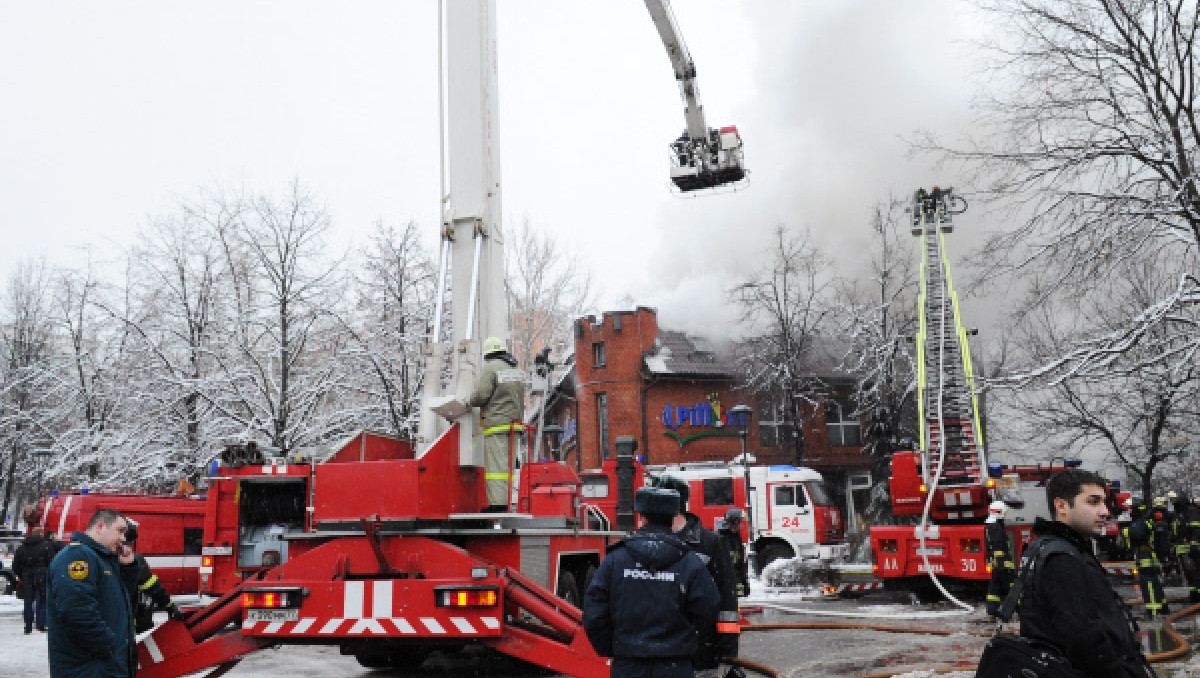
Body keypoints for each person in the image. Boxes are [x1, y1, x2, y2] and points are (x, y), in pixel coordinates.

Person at [1016, 469, 1154, 678]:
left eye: (1104, 502)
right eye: (1093, 502)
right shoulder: (1062, 558)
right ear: (1061, 505)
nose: (1105, 511)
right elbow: (1085, 640)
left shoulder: (1047, 548)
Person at [582, 487, 720, 678]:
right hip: (675, 665)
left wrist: (612, 648)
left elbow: (594, 614)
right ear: (672, 519)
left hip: (628, 665)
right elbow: (708, 610)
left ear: (642, 518)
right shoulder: (690, 562)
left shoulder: (615, 561)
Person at [654, 475, 741, 678]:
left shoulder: (710, 543)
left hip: (700, 651)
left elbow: (727, 599)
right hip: (658, 652)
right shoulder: (648, 543)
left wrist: (727, 650)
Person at [47, 508, 137, 678]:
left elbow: (117, 601)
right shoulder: (78, 556)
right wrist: (108, 645)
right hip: (89, 668)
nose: (123, 539)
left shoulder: (103, 559)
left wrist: (128, 568)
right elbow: (76, 611)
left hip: (104, 666)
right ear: (100, 526)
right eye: (120, 531)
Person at [468, 336, 526, 512]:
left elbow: (479, 396)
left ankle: (498, 505)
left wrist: (469, 401)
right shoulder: (515, 368)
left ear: (488, 354)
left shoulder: (491, 367)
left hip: (496, 424)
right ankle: (508, 501)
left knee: (496, 467)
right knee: (508, 466)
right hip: (514, 425)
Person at [124, 518, 186, 632]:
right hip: (129, 624)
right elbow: (153, 587)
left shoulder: (99, 557)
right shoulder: (134, 560)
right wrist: (170, 607)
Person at [13, 526, 55, 634]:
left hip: (27, 575)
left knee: (28, 600)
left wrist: (21, 574)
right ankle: (41, 624)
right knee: (42, 599)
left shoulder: (22, 547)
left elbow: (15, 565)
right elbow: (51, 561)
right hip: (42, 574)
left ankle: (28, 626)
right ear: (41, 533)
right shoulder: (46, 545)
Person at [982, 501, 1015, 619]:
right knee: (1012, 587)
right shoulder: (996, 527)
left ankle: (991, 612)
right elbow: (998, 546)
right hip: (1002, 564)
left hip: (997, 563)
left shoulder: (990, 526)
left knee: (994, 588)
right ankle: (1021, 611)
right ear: (999, 513)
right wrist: (1002, 565)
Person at [718, 508, 750, 598]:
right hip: (727, 586)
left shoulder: (736, 536)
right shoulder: (722, 538)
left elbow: (740, 563)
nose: (741, 524)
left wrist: (745, 584)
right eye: (740, 521)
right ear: (735, 522)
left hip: (736, 584)